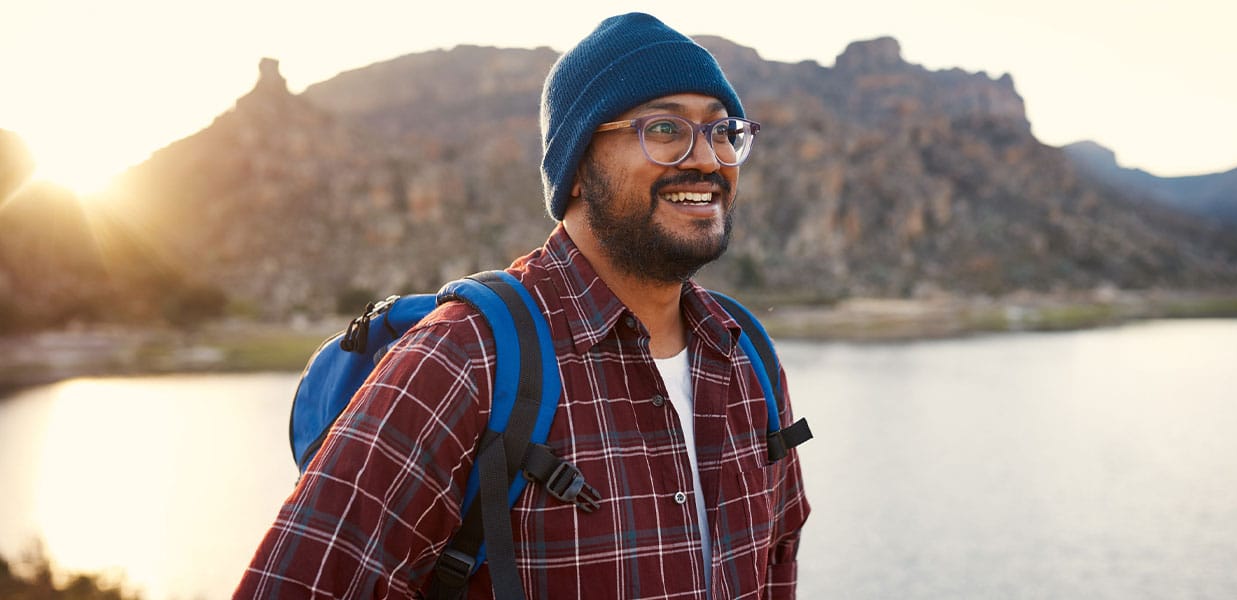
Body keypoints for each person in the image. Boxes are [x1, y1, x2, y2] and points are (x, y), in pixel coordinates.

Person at [235, 12, 809, 600]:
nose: (709, 160)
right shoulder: (461, 358)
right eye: (664, 129)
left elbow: (777, 563)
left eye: (722, 132)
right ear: (579, 166)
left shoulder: (744, 356)